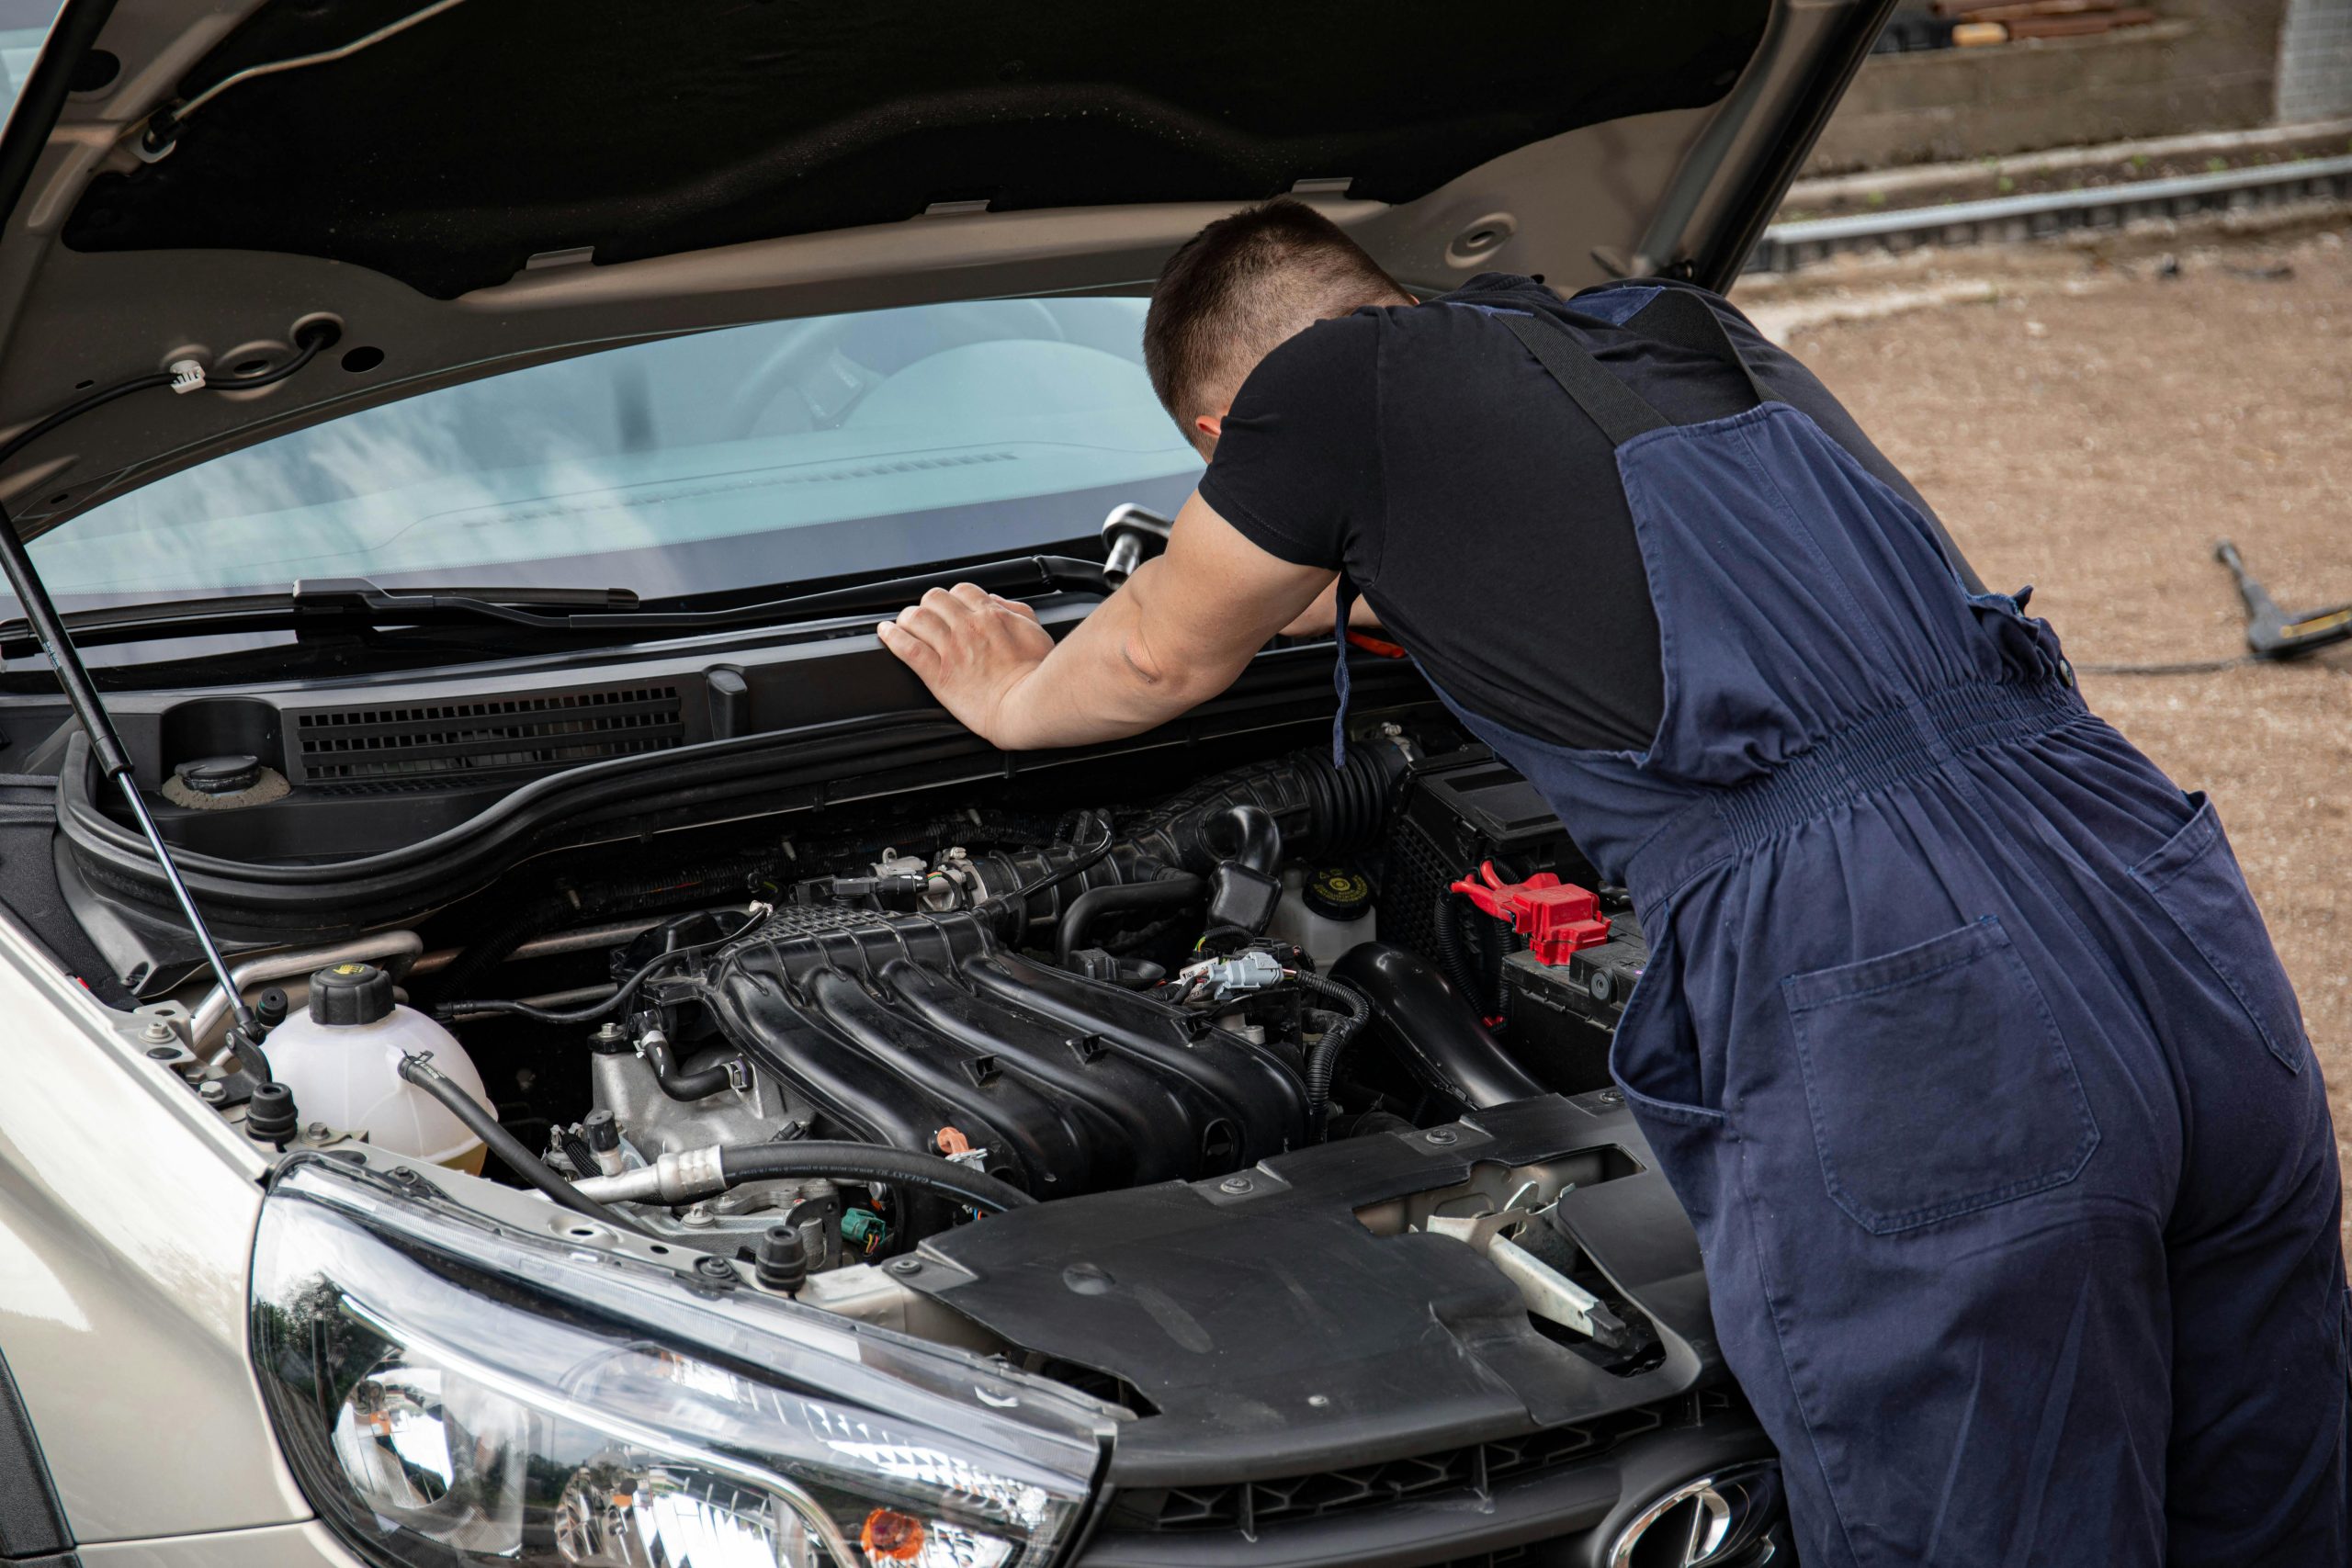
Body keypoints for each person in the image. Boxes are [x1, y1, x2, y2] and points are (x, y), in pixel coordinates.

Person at [876, 198, 2347, 1566]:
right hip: (2135, 867)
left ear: (1224, 432)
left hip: (1897, 964)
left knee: (1987, 1514)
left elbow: (1152, 654)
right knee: (2269, 1480)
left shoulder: (1321, 387)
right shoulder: (1683, 329)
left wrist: (1009, 697)